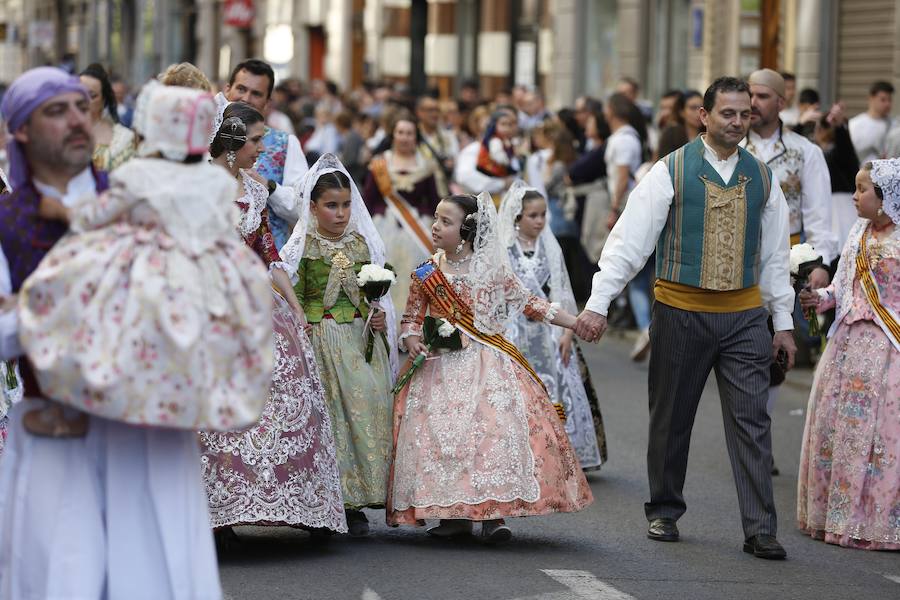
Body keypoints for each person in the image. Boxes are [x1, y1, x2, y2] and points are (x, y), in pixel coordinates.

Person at [0, 67, 222, 600]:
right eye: (57, 111)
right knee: (63, 582)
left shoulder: (150, 200)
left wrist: (39, 307)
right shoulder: (7, 220)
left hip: (152, 438)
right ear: (21, 131)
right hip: (58, 439)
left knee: (155, 580)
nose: (78, 119)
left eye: (82, 106)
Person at [574, 77, 797, 560]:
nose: (738, 122)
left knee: (753, 422)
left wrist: (783, 323)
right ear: (704, 116)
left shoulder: (762, 177)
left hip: (743, 317)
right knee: (672, 417)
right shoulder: (668, 171)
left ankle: (760, 528)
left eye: (745, 114)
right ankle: (664, 509)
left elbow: (776, 256)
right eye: (728, 114)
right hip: (681, 312)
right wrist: (597, 303)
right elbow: (629, 245)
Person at [387, 191, 593, 542]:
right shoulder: (426, 271)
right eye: (435, 218)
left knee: (492, 433)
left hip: (487, 363)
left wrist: (575, 322)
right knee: (443, 440)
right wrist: (411, 339)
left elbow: (530, 303)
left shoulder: (492, 270)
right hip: (440, 368)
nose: (435, 226)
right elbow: (410, 319)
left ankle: (494, 513)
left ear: (467, 231)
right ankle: (453, 516)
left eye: (445, 221)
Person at [200, 103, 347, 541]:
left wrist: (294, 305)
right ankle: (217, 510)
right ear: (229, 143)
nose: (262, 149)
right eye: (255, 141)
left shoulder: (256, 190)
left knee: (284, 395)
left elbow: (267, 249)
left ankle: (298, 501)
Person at [281, 154, 398, 538]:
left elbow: (370, 296)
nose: (341, 213)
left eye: (346, 205)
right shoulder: (305, 246)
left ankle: (358, 500)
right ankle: (328, 502)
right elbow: (290, 291)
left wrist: (377, 316)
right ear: (312, 207)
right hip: (321, 339)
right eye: (331, 206)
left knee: (367, 409)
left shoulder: (361, 244)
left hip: (358, 339)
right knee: (328, 420)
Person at [797, 158, 900, 550]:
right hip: (846, 348)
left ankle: (879, 524)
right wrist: (817, 298)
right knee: (841, 432)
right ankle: (837, 516)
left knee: (882, 436)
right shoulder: (857, 232)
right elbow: (841, 290)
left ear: (886, 196)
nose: (855, 197)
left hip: (889, 352)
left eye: (862, 190)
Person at [500, 181, 607, 470]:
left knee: (561, 382)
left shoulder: (550, 247)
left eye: (543, 214)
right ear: (516, 218)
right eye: (532, 215)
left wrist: (567, 334)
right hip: (516, 330)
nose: (539, 221)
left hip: (550, 328)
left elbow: (561, 291)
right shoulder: (505, 251)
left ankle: (561, 449)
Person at [223, 58, 310, 248]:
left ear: (268, 102)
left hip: (269, 263)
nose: (246, 98)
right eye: (241, 89)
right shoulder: (203, 138)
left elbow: (303, 208)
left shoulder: (285, 143)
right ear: (227, 89)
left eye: (256, 93)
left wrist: (269, 187)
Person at [362, 115, 441, 308]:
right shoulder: (380, 164)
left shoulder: (427, 165)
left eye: (409, 133)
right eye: (400, 132)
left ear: (416, 137)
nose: (404, 137)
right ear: (393, 135)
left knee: (415, 279)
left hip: (418, 229)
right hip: (384, 228)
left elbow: (434, 202)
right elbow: (368, 201)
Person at [604, 92, 653, 360]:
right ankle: (645, 323)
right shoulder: (630, 137)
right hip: (628, 204)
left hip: (625, 205)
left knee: (632, 271)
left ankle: (646, 326)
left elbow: (621, 175)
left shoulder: (623, 139)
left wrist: (614, 207)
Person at [814, 104, 861, 251]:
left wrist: (840, 127)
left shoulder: (838, 153)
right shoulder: (816, 151)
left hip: (842, 209)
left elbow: (845, 149)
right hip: (825, 207)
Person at [80, 63, 136, 172]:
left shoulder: (123, 138)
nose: (84, 101)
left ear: (103, 100)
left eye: (92, 96)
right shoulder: (60, 133)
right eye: (80, 93)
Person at [417, 95, 459, 198]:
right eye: (430, 110)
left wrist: (451, 165)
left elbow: (456, 162)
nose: (435, 114)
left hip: (442, 193)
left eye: (437, 110)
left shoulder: (448, 137)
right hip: (420, 193)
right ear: (419, 112)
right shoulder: (413, 135)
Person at [849, 80, 895, 164]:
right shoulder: (854, 125)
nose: (887, 104)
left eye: (889, 100)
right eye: (883, 100)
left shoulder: (895, 125)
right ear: (871, 98)